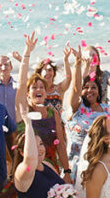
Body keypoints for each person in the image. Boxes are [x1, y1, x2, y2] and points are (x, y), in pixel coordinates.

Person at [16, 32, 73, 181]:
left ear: (46, 93)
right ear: (28, 94)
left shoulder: (53, 113)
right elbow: (22, 83)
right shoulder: (24, 111)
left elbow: (60, 144)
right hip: (29, 172)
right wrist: (27, 53)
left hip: (52, 169)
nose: (39, 90)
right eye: (34, 87)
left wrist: (67, 171)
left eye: (41, 87)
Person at [64, 49, 110, 163]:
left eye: (93, 87)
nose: (89, 90)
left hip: (101, 159)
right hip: (77, 160)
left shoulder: (107, 109)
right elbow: (75, 88)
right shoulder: (77, 107)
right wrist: (78, 64)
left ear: (99, 91)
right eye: (85, 87)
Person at [35, 54, 72, 118]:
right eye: (45, 70)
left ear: (54, 72)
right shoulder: (36, 90)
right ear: (40, 73)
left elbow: (68, 78)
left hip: (58, 123)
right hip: (42, 123)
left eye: (50, 70)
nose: (47, 73)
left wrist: (66, 60)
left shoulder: (59, 88)